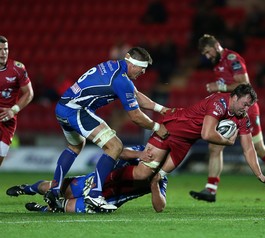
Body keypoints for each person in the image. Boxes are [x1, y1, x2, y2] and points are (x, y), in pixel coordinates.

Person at [103, 84, 265, 208]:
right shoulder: (218, 102)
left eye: (249, 106)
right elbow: (206, 134)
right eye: (244, 104)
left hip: (184, 143)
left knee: (156, 177)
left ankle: (148, 185)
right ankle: (104, 179)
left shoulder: (242, 117)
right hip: (172, 129)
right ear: (234, 97)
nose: (246, 109)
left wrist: (258, 173)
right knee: (142, 174)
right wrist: (227, 141)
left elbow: (248, 147)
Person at [44, 47, 170, 213]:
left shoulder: (114, 66)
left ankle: (54, 189)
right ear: (133, 64)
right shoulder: (121, 80)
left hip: (63, 106)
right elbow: (135, 116)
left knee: (74, 147)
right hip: (77, 110)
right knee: (115, 146)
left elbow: (136, 94)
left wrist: (162, 109)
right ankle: (95, 195)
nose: (144, 72)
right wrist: (156, 127)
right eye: (142, 68)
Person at [189, 34, 265, 203]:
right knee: (215, 147)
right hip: (229, 109)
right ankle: (211, 189)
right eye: (205, 54)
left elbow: (245, 84)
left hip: (246, 109)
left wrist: (219, 86)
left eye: (208, 52)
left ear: (215, 46)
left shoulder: (232, 58)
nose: (207, 57)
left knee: (259, 148)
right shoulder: (217, 63)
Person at [7, 146, 167, 213]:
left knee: (65, 207)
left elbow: (160, 207)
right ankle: (27, 188)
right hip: (94, 182)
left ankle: (42, 209)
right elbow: (120, 151)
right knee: (52, 187)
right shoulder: (144, 152)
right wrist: (139, 155)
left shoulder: (161, 178)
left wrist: (154, 184)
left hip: (109, 199)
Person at [0, 36, 34, 167]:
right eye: (0, 50)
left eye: (6, 49)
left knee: (1, 154)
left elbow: (29, 93)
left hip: (7, 119)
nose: (3, 53)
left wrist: (13, 110)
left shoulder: (17, 68)